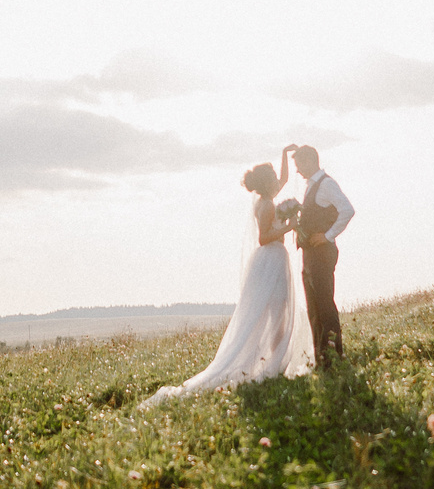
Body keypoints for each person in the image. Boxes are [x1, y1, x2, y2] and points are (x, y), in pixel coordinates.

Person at [138, 151, 313, 406]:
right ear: (267, 182)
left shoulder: (266, 199)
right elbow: (265, 237)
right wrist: (291, 224)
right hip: (271, 260)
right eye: (274, 177)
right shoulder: (265, 205)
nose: (279, 179)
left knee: (279, 313)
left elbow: (284, 179)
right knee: (277, 313)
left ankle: (276, 364)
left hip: (272, 260)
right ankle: (274, 366)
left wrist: (285, 154)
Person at [289, 143, 353, 365]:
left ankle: (335, 354)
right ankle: (321, 356)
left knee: (324, 303)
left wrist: (327, 235)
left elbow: (347, 209)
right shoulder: (311, 185)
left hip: (322, 252)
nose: (297, 170)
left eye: (299, 165)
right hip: (310, 253)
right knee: (313, 306)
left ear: (310, 161)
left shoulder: (326, 184)